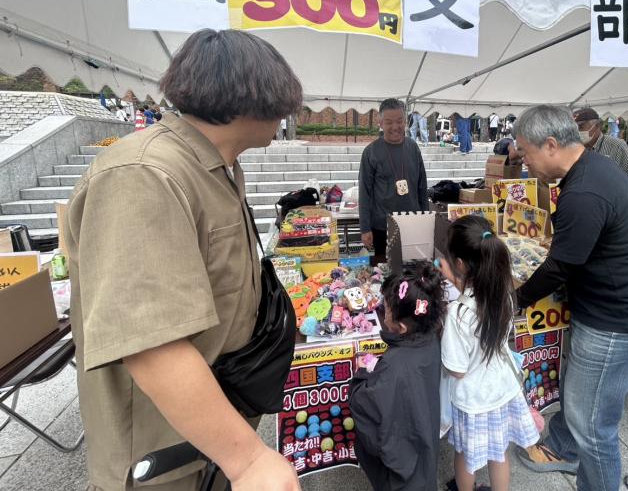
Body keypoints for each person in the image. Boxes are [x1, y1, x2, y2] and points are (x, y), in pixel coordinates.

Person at [64, 29, 304, 491]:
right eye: (283, 99)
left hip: (209, 434)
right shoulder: (144, 174)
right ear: (249, 93)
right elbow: (152, 344)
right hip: (164, 456)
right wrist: (248, 460)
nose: (287, 113)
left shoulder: (215, 166)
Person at [512, 105, 628, 491]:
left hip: (618, 323)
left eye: (526, 153)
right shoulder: (592, 168)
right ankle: (565, 449)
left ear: (551, 144)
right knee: (580, 394)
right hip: (611, 312)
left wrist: (514, 299)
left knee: (594, 425)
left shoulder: (583, 190)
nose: (523, 162)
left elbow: (560, 266)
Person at [440, 215, 539, 491]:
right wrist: (453, 279)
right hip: (502, 390)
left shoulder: (458, 313)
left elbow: (457, 369)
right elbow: (477, 297)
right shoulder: (503, 294)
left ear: (460, 264)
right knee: (499, 452)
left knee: (465, 456)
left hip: (473, 399)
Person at [349, 261, 446, 490]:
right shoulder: (431, 339)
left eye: (386, 310)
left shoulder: (395, 364)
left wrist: (362, 373)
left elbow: (366, 408)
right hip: (423, 439)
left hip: (401, 469)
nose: (383, 315)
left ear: (402, 327)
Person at [359, 99, 428, 264]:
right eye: (389, 122)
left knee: (414, 269)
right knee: (385, 271)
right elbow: (364, 192)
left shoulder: (413, 148)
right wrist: (365, 228)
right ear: (380, 122)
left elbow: (422, 186)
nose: (395, 127)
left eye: (399, 121)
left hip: (413, 222)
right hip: (382, 226)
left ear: (405, 121)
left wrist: (425, 218)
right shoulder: (371, 152)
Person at [573, 107, 628, 201]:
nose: (578, 132)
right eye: (574, 129)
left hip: (614, 205)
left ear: (597, 126)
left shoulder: (617, 146)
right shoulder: (575, 149)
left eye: (581, 127)